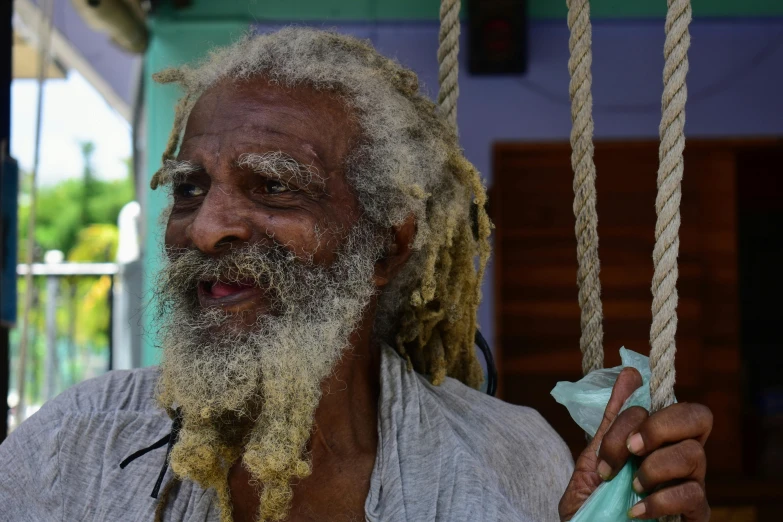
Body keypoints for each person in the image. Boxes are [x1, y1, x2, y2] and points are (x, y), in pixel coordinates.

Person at [0, 28, 712, 522]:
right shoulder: (75, 447)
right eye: (187, 188)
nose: (206, 226)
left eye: (273, 187)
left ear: (386, 248)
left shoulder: (509, 457)